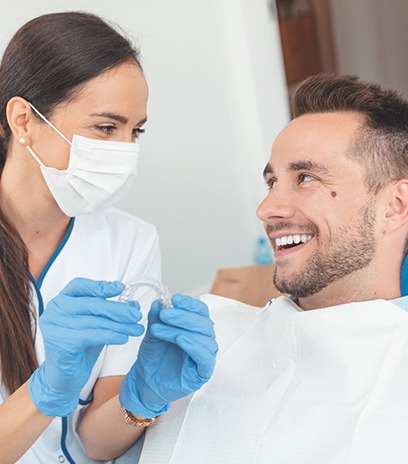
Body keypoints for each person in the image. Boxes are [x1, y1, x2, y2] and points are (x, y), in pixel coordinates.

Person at [136, 74, 408, 464]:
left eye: (306, 178)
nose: (267, 210)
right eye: (272, 182)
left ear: (395, 205)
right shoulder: (210, 338)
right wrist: (137, 403)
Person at [0, 11, 217, 464]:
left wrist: (141, 398)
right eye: (105, 127)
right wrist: (43, 392)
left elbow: (96, 444)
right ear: (23, 120)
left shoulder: (130, 241)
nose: (124, 151)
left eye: (135, 131)